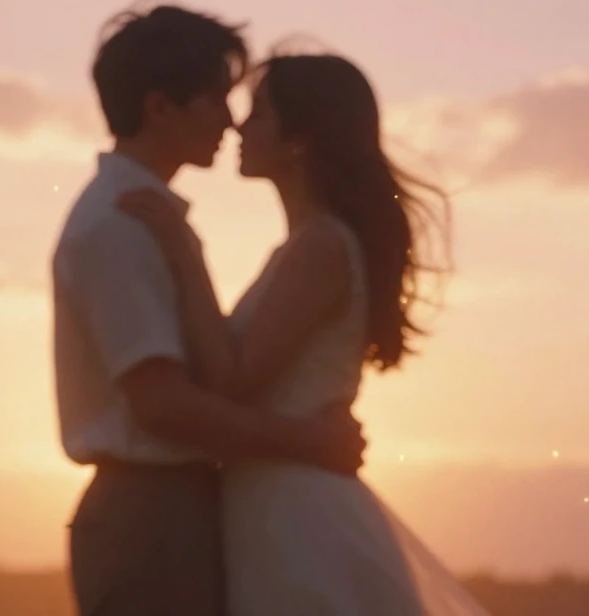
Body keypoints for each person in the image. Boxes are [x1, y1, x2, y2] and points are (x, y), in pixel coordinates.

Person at [118, 50, 493, 614]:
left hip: (298, 521)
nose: (240, 127)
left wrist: (185, 251)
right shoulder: (308, 246)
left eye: (260, 113)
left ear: (300, 138)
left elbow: (234, 380)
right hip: (278, 509)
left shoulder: (322, 246)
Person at [51, 2, 368, 616]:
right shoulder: (120, 225)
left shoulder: (147, 220)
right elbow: (162, 404)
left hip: (182, 509)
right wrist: (307, 440)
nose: (230, 119)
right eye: (217, 98)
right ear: (160, 107)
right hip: (152, 515)